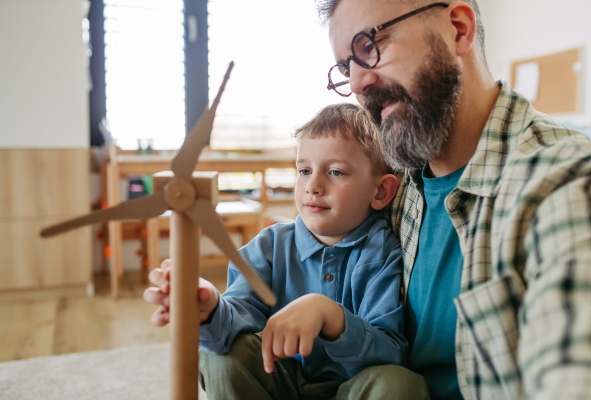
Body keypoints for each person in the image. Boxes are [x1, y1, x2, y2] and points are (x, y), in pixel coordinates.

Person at [320, 0, 591, 399]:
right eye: (348, 68)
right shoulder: (392, 190)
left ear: (459, 29)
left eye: (370, 45)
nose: (360, 83)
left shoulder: (566, 183)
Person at [144, 103, 431, 399]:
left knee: (401, 384)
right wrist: (209, 309)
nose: (313, 186)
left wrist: (333, 318)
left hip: (351, 390)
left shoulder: (381, 252)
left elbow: (391, 355)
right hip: (278, 383)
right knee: (221, 354)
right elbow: (233, 323)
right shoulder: (267, 247)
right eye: (304, 170)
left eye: (335, 172)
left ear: (381, 191)